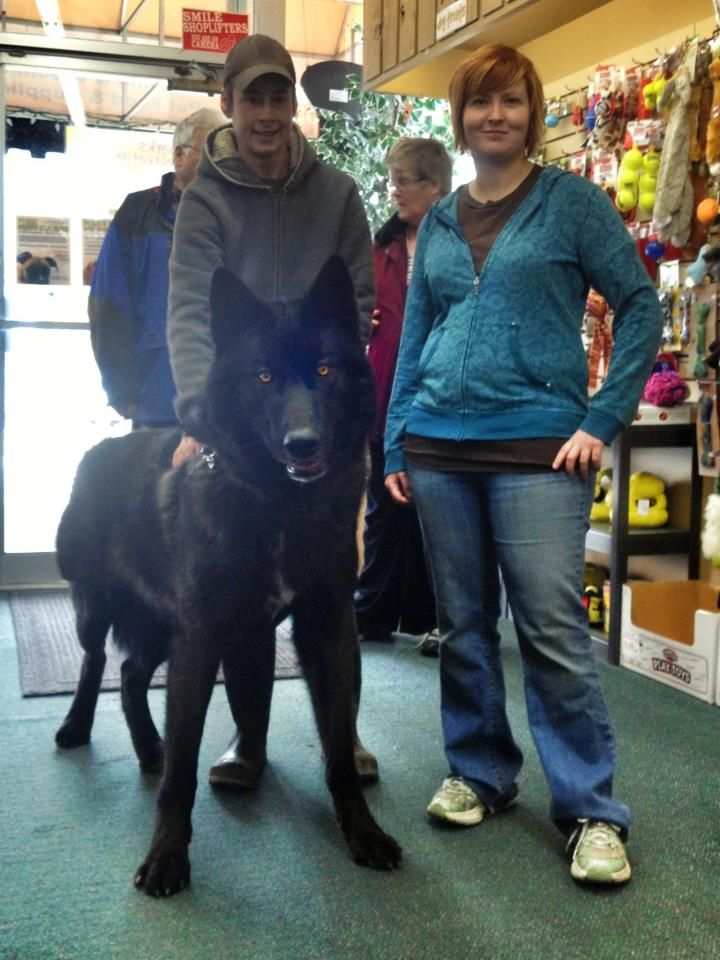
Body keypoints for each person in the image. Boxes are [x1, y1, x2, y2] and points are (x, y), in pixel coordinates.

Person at [384, 44, 663, 885]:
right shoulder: (436, 219)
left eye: (509, 101)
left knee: (549, 627)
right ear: (460, 117)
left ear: (531, 111)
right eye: (479, 103)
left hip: (540, 450)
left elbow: (642, 306)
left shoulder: (572, 204)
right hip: (437, 445)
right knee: (463, 623)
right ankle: (480, 771)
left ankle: (590, 810)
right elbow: (414, 338)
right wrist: (398, 436)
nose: (494, 115)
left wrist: (604, 418)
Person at [166, 33, 376, 785]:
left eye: (277, 96)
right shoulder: (206, 199)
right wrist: (198, 421)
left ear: (294, 104)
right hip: (244, 430)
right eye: (251, 97)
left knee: (330, 602)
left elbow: (355, 307)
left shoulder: (340, 196)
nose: (265, 112)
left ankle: (340, 741)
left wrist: (346, 421)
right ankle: (249, 742)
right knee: (240, 596)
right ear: (227, 103)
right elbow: (191, 312)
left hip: (321, 422)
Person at [355, 137, 451, 656]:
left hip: (441, 403)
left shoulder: (464, 243)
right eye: (392, 178)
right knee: (383, 511)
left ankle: (437, 619)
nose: (394, 189)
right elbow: (350, 309)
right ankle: (371, 613)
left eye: (404, 179)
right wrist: (358, 322)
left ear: (435, 186)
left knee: (439, 514)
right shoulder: (379, 249)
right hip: (383, 397)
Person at [88, 107, 223, 429]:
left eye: (227, 153)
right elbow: (109, 305)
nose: (220, 163)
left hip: (223, 405)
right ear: (179, 155)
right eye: (211, 152)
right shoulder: (137, 213)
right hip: (155, 396)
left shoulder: (237, 216)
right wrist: (120, 387)